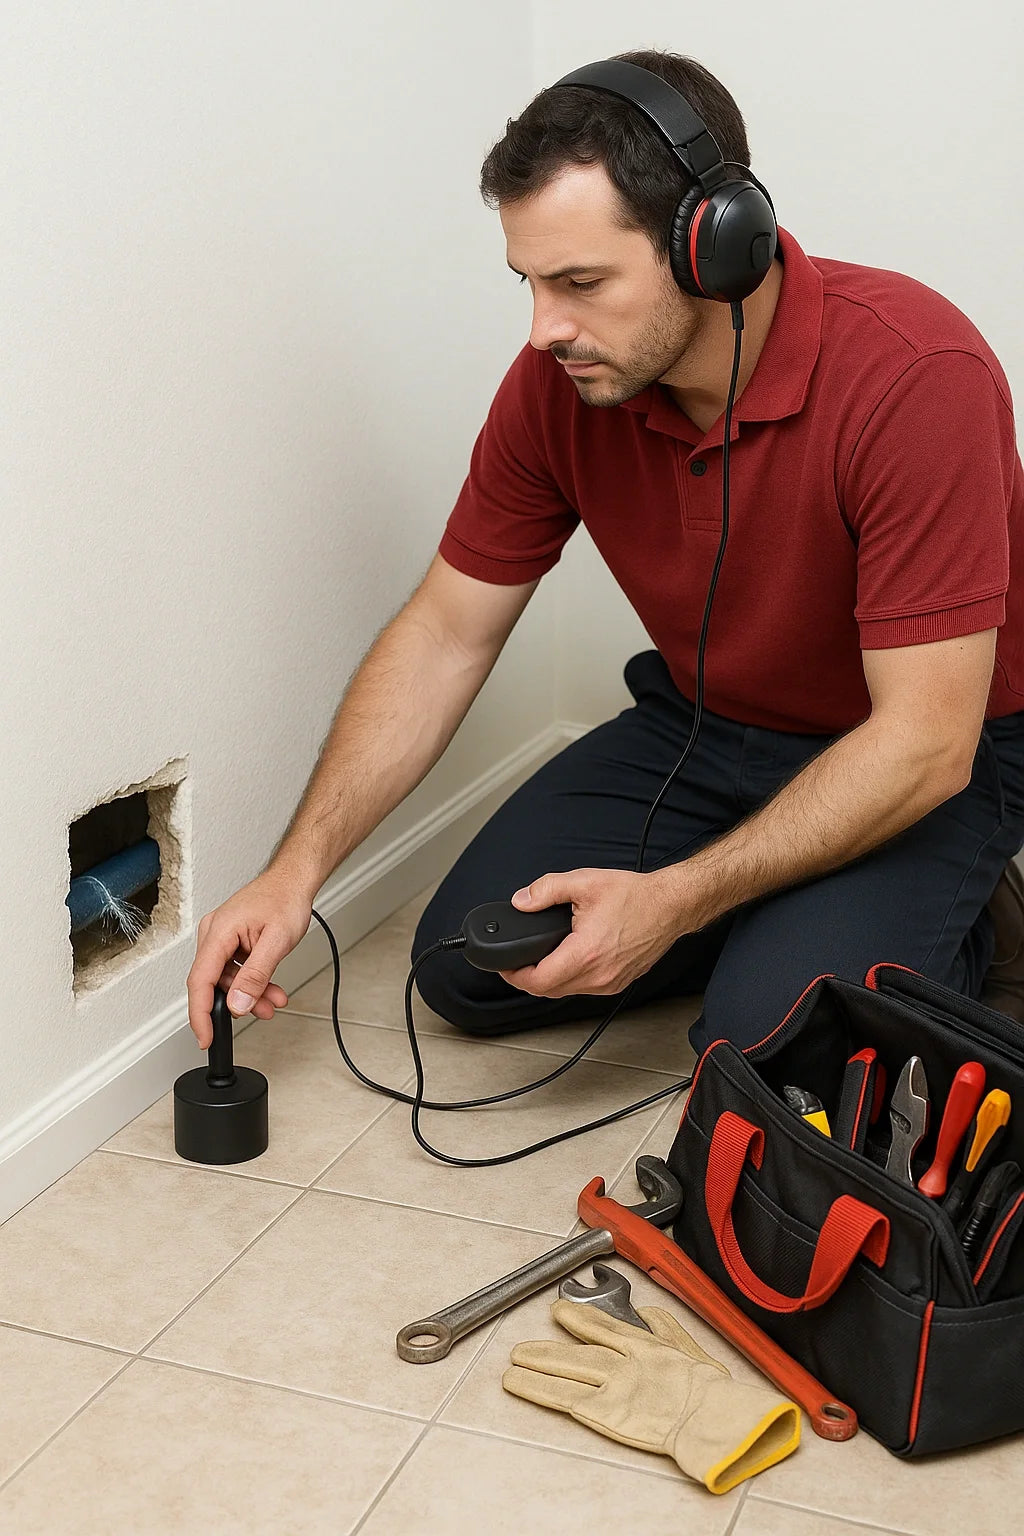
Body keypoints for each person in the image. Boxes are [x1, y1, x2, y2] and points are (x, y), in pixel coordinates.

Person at [187, 48, 1024, 1063]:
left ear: (717, 247)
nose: (545, 329)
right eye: (529, 282)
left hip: (929, 758)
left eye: (581, 282)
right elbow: (448, 632)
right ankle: (782, 915)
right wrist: (295, 871)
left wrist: (671, 900)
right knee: (469, 962)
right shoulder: (562, 380)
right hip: (705, 730)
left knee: (764, 1042)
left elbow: (926, 743)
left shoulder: (915, 375)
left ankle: (949, 917)